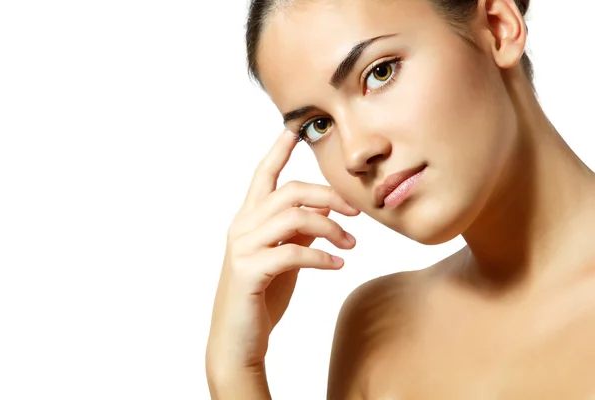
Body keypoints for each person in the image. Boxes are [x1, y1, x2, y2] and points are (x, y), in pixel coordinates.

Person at [206, 0, 595, 398]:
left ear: (498, 27)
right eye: (318, 126)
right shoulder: (377, 332)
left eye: (380, 72)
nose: (355, 153)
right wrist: (234, 369)